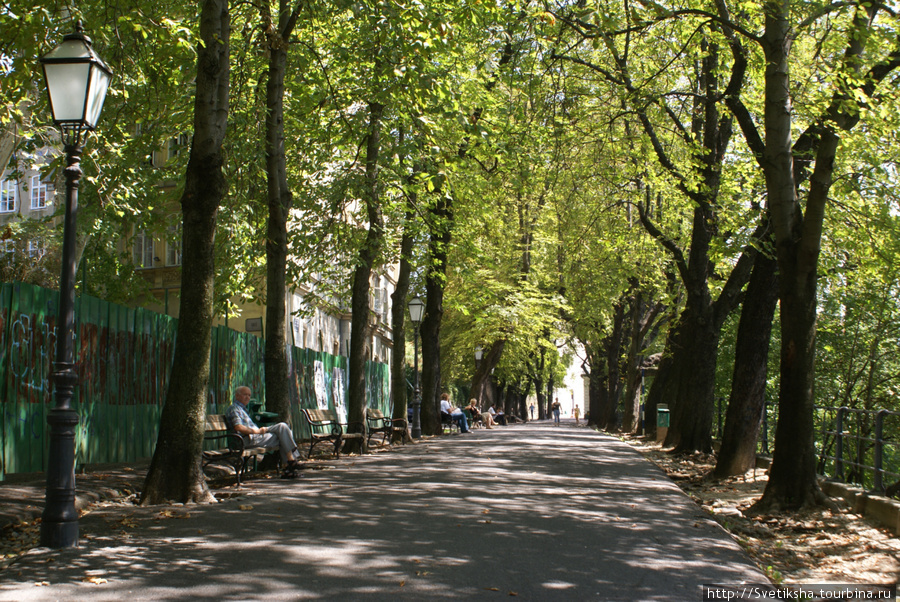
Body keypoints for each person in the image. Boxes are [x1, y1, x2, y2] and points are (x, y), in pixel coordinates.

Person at [227, 386, 303, 477]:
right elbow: (238, 427)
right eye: (244, 395)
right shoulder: (234, 409)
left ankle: (289, 466)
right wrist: (257, 432)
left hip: (253, 438)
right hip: (245, 440)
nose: (247, 397)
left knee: (283, 430)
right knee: (282, 432)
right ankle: (290, 463)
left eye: (249, 395)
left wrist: (258, 432)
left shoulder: (243, 409)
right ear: (237, 396)